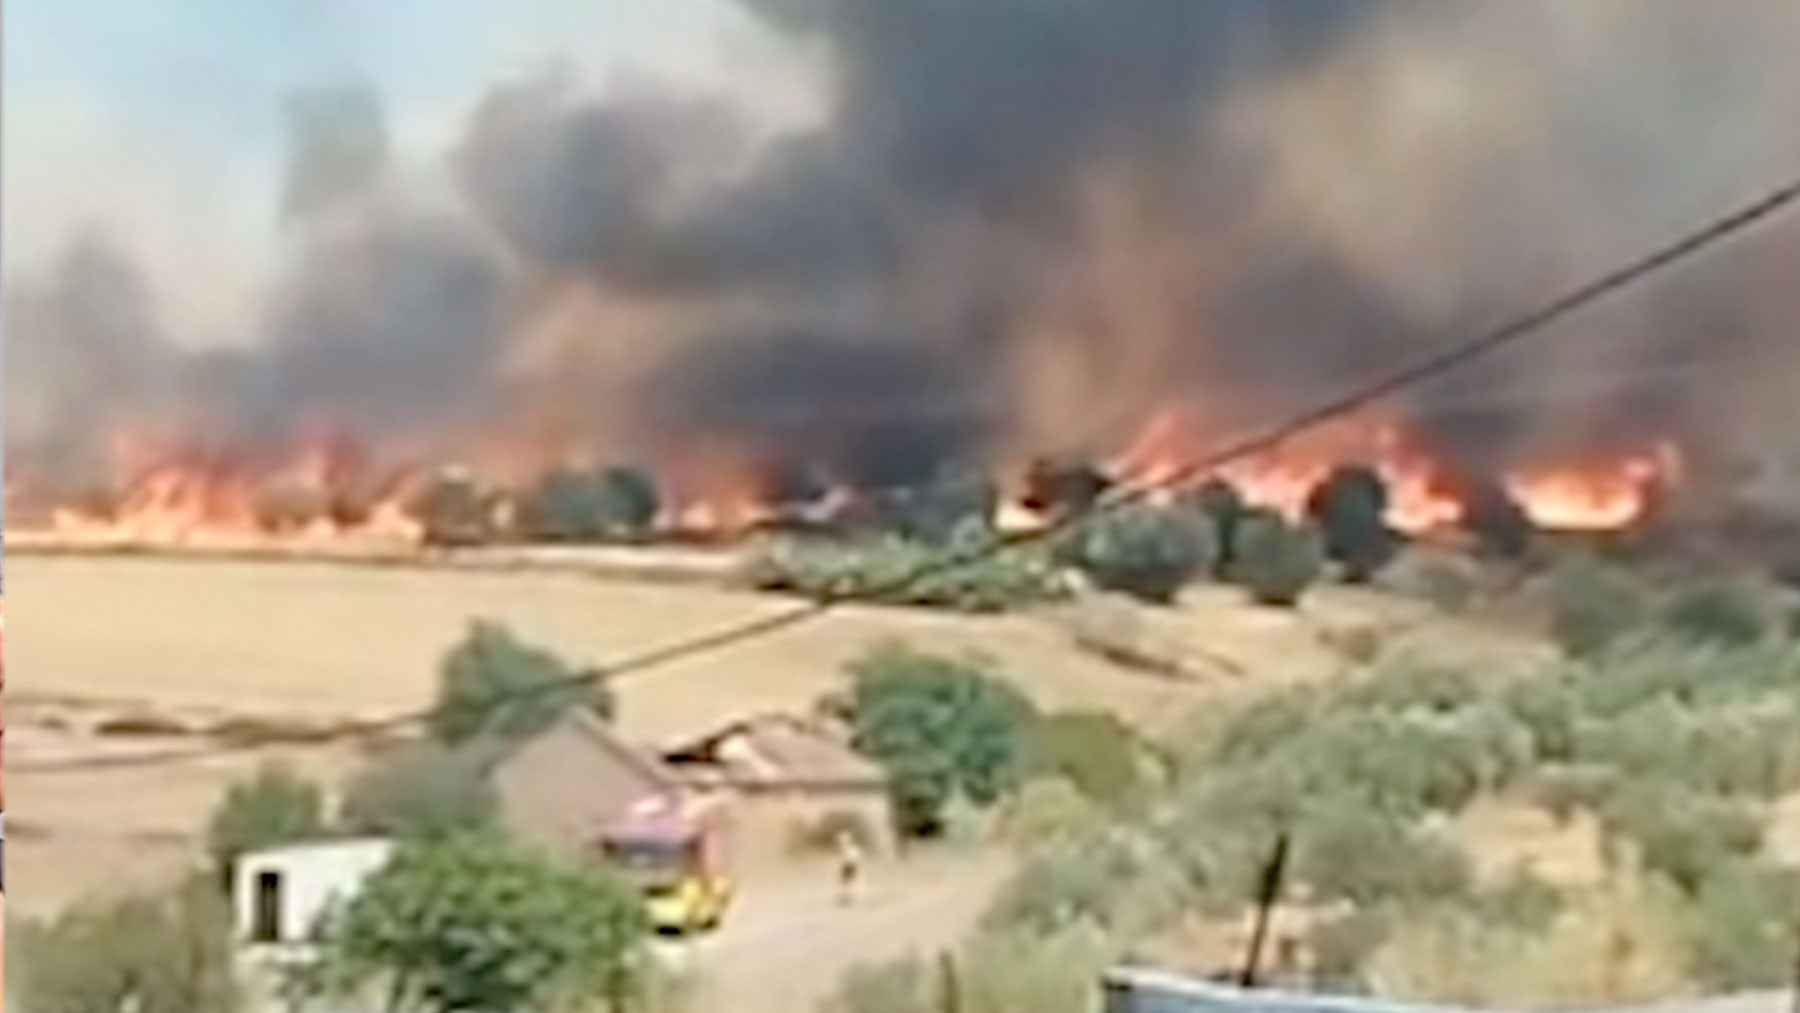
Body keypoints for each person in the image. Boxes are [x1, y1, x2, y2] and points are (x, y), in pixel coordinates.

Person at [834, 828, 863, 906]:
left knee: (848, 883)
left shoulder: (852, 850)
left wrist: (852, 866)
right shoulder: (846, 849)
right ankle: (847, 898)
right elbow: (843, 858)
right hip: (847, 866)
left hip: (850, 866)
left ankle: (849, 898)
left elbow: (854, 859)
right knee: (845, 883)